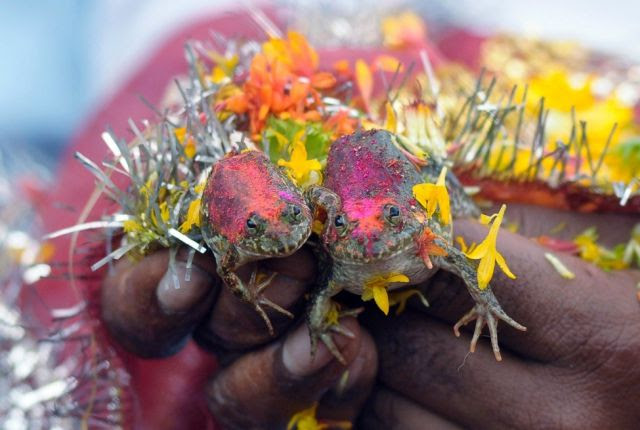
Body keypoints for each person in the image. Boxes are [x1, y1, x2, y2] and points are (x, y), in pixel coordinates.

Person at [102, 203, 640, 429]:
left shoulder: (423, 238)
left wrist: (486, 305)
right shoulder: (331, 247)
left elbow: (460, 260)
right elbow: (321, 291)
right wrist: (318, 327)